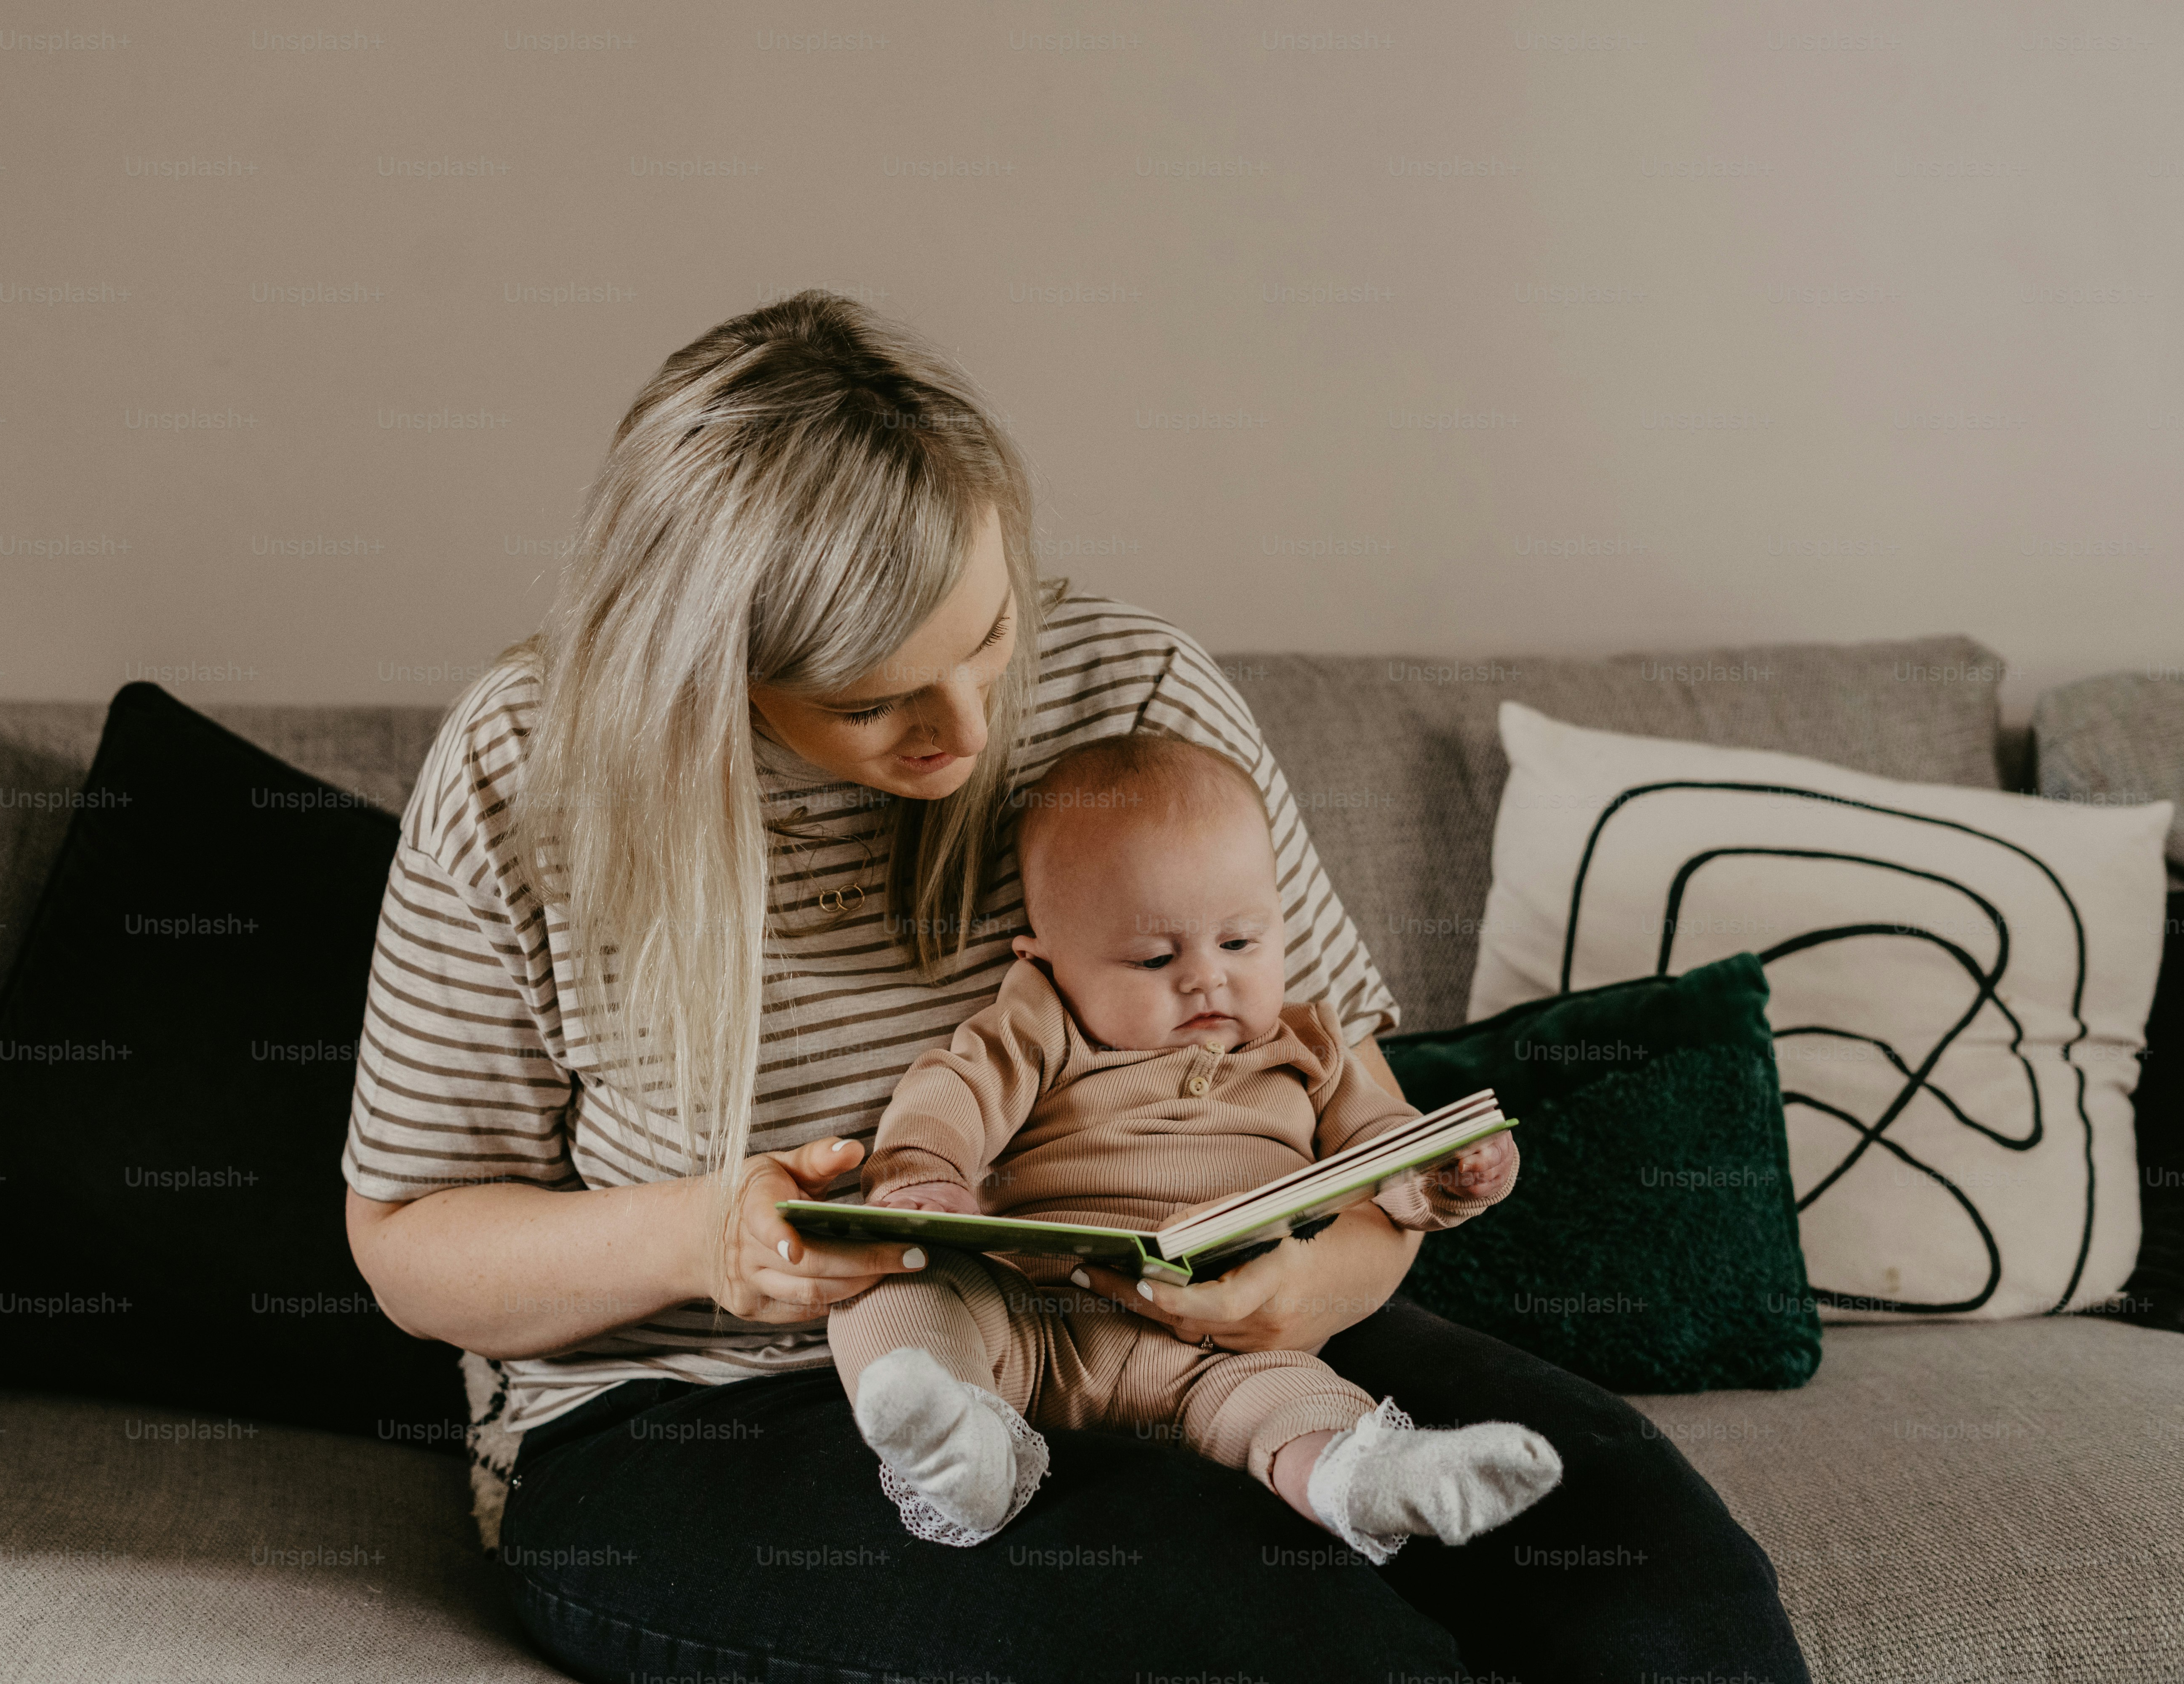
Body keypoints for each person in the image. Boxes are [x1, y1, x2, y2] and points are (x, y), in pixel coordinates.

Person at [341, 289, 1811, 1683]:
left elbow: (1355, 1109)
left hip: (1194, 1331)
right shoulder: (522, 773)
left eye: (989, 638)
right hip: (704, 1410)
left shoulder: (1137, 696)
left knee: (1658, 1590)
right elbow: (410, 1244)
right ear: (703, 672)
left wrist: (1325, 1279)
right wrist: (704, 1238)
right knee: (1285, 1645)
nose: (968, 730)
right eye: (873, 700)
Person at [831, 730, 1559, 1563]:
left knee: (1295, 1402)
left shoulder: (1309, 1045)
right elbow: (953, 1088)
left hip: (1222, 1347)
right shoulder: (1044, 1025)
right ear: (1047, 960)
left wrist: (1442, 1170)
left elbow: (1375, 1144)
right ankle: (963, 1448)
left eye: (1241, 943)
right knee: (886, 1290)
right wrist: (926, 1174)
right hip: (1037, 1320)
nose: (1207, 977)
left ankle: (1370, 1477)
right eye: (1154, 956)